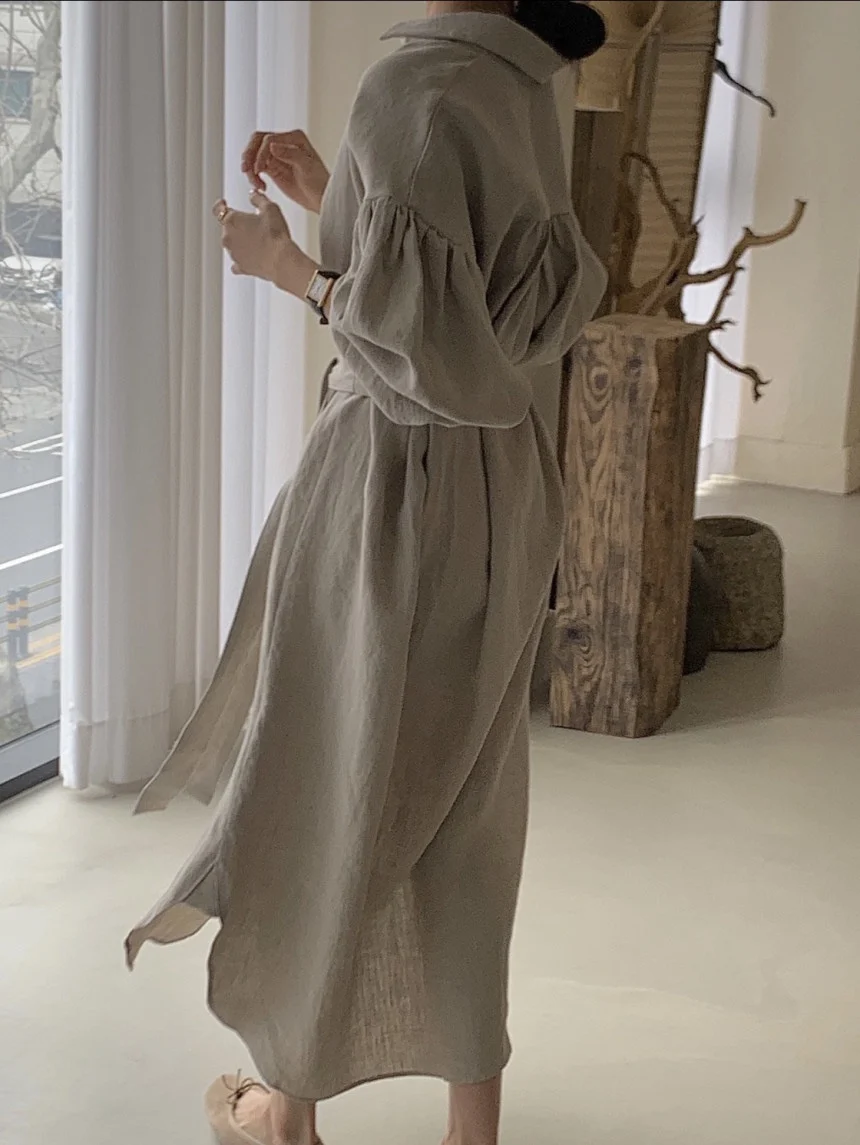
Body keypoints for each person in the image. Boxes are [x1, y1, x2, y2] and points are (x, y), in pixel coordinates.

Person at [125, 3, 608, 1144]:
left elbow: (421, 357)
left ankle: (285, 1116)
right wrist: (336, 193)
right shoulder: (523, 80)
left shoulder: (412, 88)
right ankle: (470, 1132)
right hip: (501, 487)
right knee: (464, 803)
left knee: (326, 781)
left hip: (392, 486)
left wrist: (287, 265)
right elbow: (481, 313)